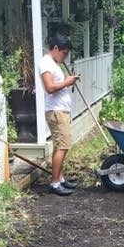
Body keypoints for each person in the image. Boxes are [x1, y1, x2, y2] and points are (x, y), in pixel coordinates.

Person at [39, 33, 80, 196]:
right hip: (56, 111)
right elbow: (49, 88)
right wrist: (67, 82)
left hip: (60, 111)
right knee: (63, 146)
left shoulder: (53, 63)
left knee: (60, 146)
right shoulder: (46, 63)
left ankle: (60, 178)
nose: (65, 57)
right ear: (55, 48)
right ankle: (55, 183)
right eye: (64, 53)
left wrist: (67, 80)